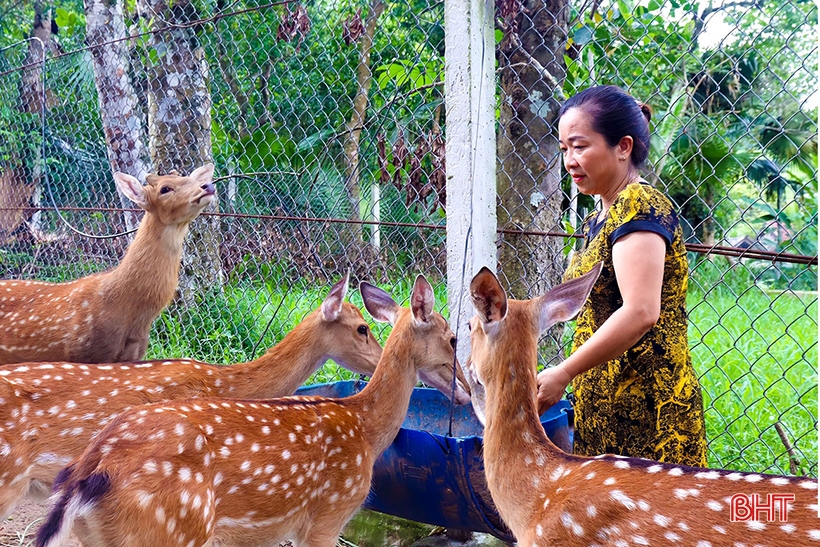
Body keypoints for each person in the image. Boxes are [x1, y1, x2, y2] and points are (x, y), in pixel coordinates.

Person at [536, 85, 707, 467]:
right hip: (602, 403)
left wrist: (564, 371)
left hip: (648, 411)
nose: (569, 161)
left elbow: (641, 311)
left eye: (580, 147)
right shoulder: (599, 214)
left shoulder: (640, 206)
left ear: (623, 147)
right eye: (564, 149)